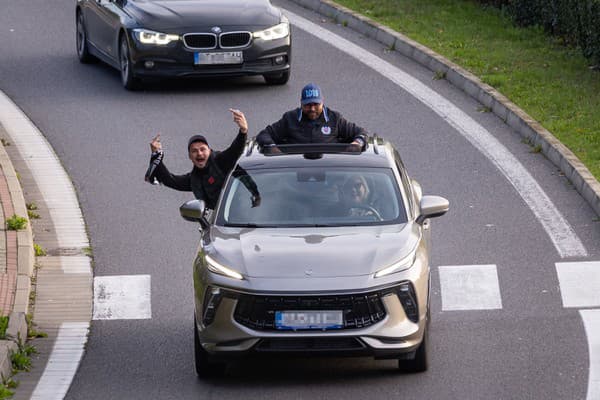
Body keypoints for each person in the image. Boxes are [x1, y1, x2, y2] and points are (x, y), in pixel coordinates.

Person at [145, 109, 259, 209]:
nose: (199, 153)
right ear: (190, 157)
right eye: (194, 151)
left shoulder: (221, 161)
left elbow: (235, 150)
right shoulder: (193, 179)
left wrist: (243, 131)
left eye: (202, 149)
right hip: (220, 220)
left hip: (248, 208)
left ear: (210, 151)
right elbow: (170, 180)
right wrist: (156, 154)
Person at [256, 83, 368, 150]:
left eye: (316, 104)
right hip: (293, 173)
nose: (312, 109)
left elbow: (362, 133)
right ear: (301, 103)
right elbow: (264, 135)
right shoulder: (289, 119)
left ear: (322, 102)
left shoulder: (335, 119)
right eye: (308, 105)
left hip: (332, 175)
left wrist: (357, 143)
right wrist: (273, 148)